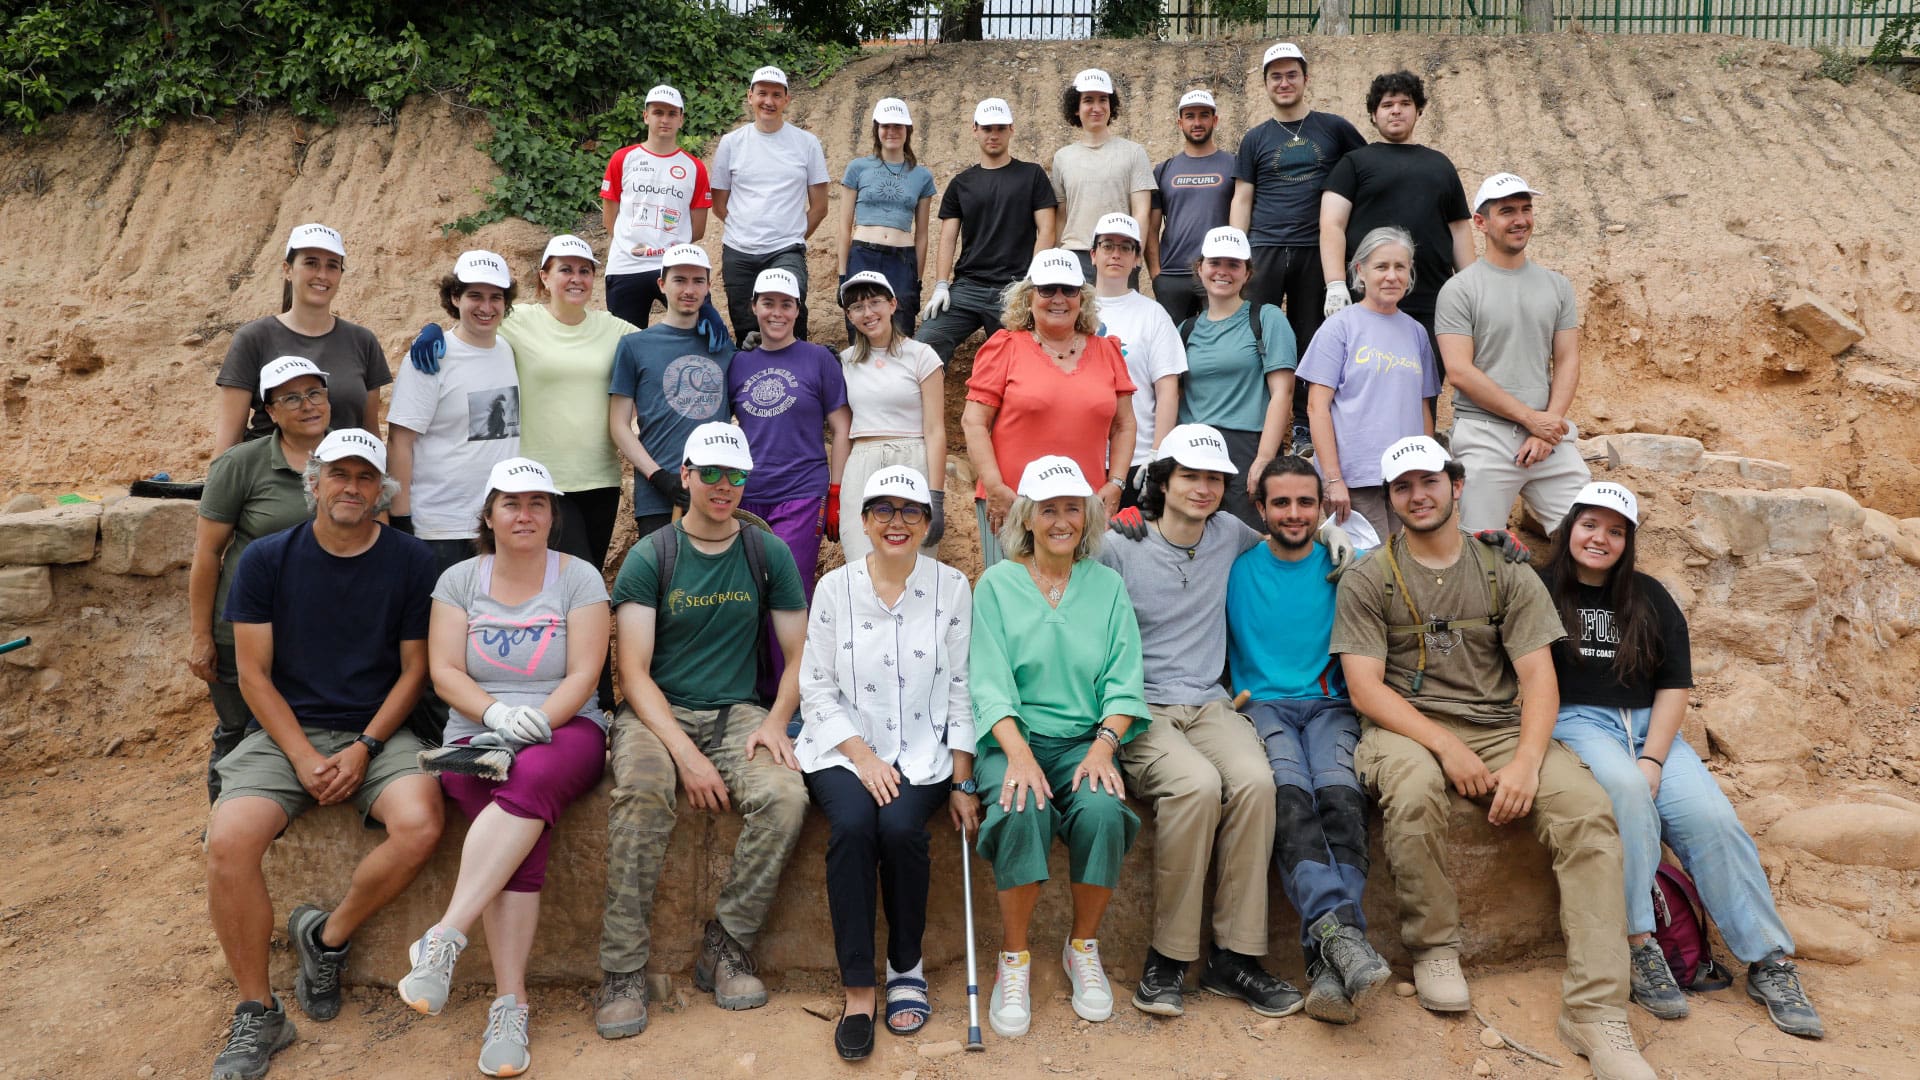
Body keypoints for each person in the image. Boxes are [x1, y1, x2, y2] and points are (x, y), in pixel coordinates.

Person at [1333, 435, 1655, 1080]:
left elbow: (1539, 679)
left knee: (1587, 814)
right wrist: (1445, 745)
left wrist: (1530, 761)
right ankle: (1434, 948)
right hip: (1408, 726)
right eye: (1402, 487)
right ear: (1392, 500)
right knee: (1415, 790)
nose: (1417, 496)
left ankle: (1595, 1013)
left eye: (1429, 482)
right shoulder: (1371, 576)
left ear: (1456, 486)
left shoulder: (1502, 570)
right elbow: (1365, 688)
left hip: (1503, 724)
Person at [1540, 482, 1823, 1039]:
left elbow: (1674, 685)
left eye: (1615, 531)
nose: (1601, 538)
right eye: (1590, 525)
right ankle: (1641, 945)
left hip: (1651, 724)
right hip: (1578, 719)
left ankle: (1769, 961)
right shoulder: (1540, 588)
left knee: (1713, 820)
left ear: (1628, 541)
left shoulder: (1650, 596)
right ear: (1569, 526)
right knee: (1625, 793)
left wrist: (1654, 757)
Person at [204, 429, 442, 1080]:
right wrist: (304, 755)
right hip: (286, 733)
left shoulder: (411, 560)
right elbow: (252, 675)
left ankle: (328, 936)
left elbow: (414, 670)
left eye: (366, 478)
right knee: (227, 839)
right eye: (339, 474)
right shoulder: (267, 560)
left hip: (377, 730)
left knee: (420, 822)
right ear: (314, 482)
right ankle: (258, 1011)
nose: (353, 488)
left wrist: (366, 747)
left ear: (382, 490)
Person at [395, 457, 611, 1077]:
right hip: (474, 734)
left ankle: (445, 939)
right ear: (488, 515)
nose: (525, 514)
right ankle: (508, 1004)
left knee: (533, 778)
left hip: (566, 729)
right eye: (511, 503)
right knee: (520, 828)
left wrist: (539, 718)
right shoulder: (460, 579)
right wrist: (494, 715)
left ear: (553, 516)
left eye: (538, 504)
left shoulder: (579, 578)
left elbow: (584, 672)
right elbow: (444, 671)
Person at [594, 423, 810, 1038]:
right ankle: (623, 969)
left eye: (735, 476)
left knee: (786, 796)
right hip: (658, 715)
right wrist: (686, 754)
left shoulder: (764, 553)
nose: (723, 486)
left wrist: (774, 721)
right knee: (640, 794)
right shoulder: (652, 555)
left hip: (739, 711)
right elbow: (633, 673)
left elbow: (799, 656)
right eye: (710, 473)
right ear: (684, 476)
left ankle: (728, 943)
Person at [1095, 428, 1296, 1020]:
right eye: (1190, 476)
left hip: (1210, 702)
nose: (1204, 489)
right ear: (1162, 481)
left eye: (1214, 479)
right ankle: (1168, 957)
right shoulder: (1120, 545)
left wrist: (1338, 538)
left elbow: (1290, 541)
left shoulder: (1229, 534)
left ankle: (1234, 958)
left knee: (1258, 784)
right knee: (1197, 786)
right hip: (1138, 705)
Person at [797, 466, 978, 1058]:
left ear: (928, 523)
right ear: (864, 521)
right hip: (845, 749)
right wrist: (864, 755)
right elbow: (816, 688)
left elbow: (961, 685)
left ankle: (906, 965)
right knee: (852, 827)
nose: (896, 523)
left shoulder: (952, 586)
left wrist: (962, 777)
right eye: (883, 511)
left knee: (901, 829)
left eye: (910, 512)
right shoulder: (835, 588)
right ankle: (857, 992)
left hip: (923, 750)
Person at [969, 456, 1148, 1038]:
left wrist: (1103, 747)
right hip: (1014, 738)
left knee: (1100, 809)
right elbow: (988, 680)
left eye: (1073, 508)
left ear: (1088, 517)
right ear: (1028, 516)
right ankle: (1014, 959)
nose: (1062, 520)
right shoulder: (996, 584)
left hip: (1083, 741)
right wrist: (1017, 755)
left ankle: (1082, 948)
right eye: (1050, 509)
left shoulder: (1108, 586)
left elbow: (1124, 680)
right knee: (1022, 807)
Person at [1226, 456, 1390, 1025]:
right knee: (1289, 799)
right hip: (1262, 707)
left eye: (1305, 502)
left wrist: (1500, 541)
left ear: (1324, 508)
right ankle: (1340, 939)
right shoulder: (1236, 564)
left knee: (1340, 799)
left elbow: (1422, 556)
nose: (1293, 513)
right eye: (1281, 503)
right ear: (1260, 508)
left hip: (1332, 706)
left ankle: (1326, 960)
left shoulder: (1350, 563)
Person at [191, 357, 334, 803]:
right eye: (291, 397)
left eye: (315, 393)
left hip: (322, 632)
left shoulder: (354, 455)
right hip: (242, 630)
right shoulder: (241, 464)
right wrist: (200, 637)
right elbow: (207, 554)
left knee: (306, 729)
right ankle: (222, 833)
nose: (307, 405)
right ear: (269, 411)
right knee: (237, 732)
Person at [1438, 173, 1591, 534]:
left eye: (1526, 209)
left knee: (1588, 531)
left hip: (1548, 440)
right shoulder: (1459, 289)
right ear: (1481, 222)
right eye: (1507, 211)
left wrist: (1546, 426)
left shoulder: (1558, 286)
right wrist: (1529, 419)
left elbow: (1568, 360)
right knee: (1478, 551)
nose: (1520, 219)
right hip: (1484, 435)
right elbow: (1459, 371)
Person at [962, 250, 1135, 568]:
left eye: (1069, 290)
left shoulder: (1108, 351)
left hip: (1081, 509)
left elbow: (1124, 425)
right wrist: (996, 486)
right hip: (1014, 505)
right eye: (1047, 289)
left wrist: (1117, 483)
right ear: (1028, 298)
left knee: (1078, 603)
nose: (1059, 298)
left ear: (1081, 298)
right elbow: (974, 422)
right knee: (1013, 604)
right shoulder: (1005, 347)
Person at [1231, 42, 1365, 452]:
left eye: (1291, 74)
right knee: (1256, 337)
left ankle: (1306, 426)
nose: (1284, 82)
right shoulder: (1255, 139)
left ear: (1306, 79)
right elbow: (1242, 198)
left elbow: (1366, 171)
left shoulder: (1335, 128)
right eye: (1276, 76)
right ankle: (1254, 421)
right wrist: (1239, 252)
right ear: (1265, 85)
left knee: (1312, 338)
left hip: (1316, 251)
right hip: (1265, 248)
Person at [1319, 70, 1473, 370]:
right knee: (1364, 385)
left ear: (1418, 111)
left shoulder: (1440, 165)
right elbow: (1331, 224)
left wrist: (1472, 289)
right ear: (1374, 115)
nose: (1396, 110)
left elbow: (1459, 229)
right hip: (1368, 301)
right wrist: (1335, 284)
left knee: (1423, 390)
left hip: (1432, 302)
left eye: (1405, 103)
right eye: (1387, 105)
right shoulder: (1354, 163)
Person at [1298, 226, 1441, 541]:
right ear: (1360, 270)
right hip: (1354, 481)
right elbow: (1316, 407)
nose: (1392, 276)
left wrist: (1427, 472)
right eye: (1381, 266)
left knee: (1403, 567)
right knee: (1368, 571)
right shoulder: (1339, 328)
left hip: (1405, 477)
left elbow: (1423, 409)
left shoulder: (1416, 332)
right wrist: (1333, 480)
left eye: (1400, 267)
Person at [388, 250, 521, 574]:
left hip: (494, 526)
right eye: (475, 296)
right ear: (454, 297)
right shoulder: (430, 359)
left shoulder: (506, 348)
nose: (486, 307)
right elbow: (399, 442)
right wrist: (400, 521)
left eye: (496, 297)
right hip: (439, 529)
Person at [726, 267, 851, 597]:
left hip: (802, 493)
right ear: (754, 306)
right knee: (746, 593)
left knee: (788, 590)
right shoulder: (737, 363)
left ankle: (792, 653)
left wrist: (836, 492)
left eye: (786, 304)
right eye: (768, 303)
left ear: (798, 309)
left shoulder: (819, 359)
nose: (777, 313)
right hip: (746, 494)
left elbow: (841, 428)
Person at [214, 223, 389, 451]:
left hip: (342, 481)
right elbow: (229, 443)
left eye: (332, 266)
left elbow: (369, 433)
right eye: (311, 263)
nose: (322, 275)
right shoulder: (253, 339)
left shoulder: (363, 342)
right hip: (271, 480)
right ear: (287, 270)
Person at [608, 243, 736, 542]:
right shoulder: (634, 346)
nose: (688, 289)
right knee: (664, 585)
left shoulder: (722, 347)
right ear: (662, 284)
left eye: (697, 281)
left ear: (708, 287)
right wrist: (657, 476)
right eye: (679, 280)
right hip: (658, 495)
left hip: (716, 489)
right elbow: (618, 425)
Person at [1175, 226, 1297, 531]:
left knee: (1247, 539)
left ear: (1247, 273)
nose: (1223, 272)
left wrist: (1264, 457)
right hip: (1193, 448)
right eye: (1215, 263)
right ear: (1200, 268)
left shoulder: (1267, 318)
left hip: (1244, 446)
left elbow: (1282, 393)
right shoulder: (1185, 329)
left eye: (1234, 264)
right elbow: (1173, 396)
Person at [918, 98, 1058, 365]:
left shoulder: (1032, 175)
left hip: (1014, 287)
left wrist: (1031, 281)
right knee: (925, 345)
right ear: (975, 130)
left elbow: (1047, 230)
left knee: (1022, 362)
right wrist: (941, 285)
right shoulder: (961, 183)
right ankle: (929, 407)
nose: (993, 135)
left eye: (1000, 128)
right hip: (968, 287)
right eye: (986, 128)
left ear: (1011, 130)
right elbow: (948, 238)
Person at [710, 65, 829, 345]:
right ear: (750, 96)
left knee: (789, 315)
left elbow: (820, 206)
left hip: (786, 250)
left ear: (787, 100)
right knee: (746, 328)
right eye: (762, 93)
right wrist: (747, 229)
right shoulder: (731, 143)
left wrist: (791, 235)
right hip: (739, 253)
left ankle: (799, 382)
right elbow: (719, 203)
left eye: (777, 94)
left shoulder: (807, 143)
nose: (769, 101)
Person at [599, 84, 727, 342]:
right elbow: (609, 218)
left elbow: (697, 229)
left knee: (704, 337)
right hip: (626, 267)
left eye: (671, 113)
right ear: (646, 116)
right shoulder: (622, 159)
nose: (665, 119)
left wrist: (666, 248)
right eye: (658, 112)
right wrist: (635, 244)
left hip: (675, 265)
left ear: (681, 118)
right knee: (626, 344)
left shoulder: (694, 167)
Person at [834, 272, 947, 561]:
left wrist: (935, 495)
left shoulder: (922, 356)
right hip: (862, 461)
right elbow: (843, 429)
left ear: (893, 304)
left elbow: (935, 430)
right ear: (849, 315)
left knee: (915, 562)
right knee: (860, 560)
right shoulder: (845, 362)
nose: (868, 313)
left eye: (875, 302)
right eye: (857, 307)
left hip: (912, 459)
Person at [1088, 212, 1184, 509]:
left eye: (1126, 247)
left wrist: (1158, 454)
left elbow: (1167, 388)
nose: (1116, 254)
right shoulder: (1071, 307)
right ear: (1093, 255)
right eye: (1107, 245)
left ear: (1137, 258)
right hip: (1082, 456)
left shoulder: (1152, 314)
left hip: (1136, 459)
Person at [836, 97, 936, 336]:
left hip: (902, 259)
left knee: (901, 329)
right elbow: (843, 225)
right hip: (863, 254)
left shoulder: (922, 176)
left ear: (907, 130)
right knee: (861, 326)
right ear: (876, 129)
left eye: (898, 126)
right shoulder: (857, 168)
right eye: (885, 126)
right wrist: (842, 275)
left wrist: (917, 280)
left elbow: (922, 234)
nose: (891, 132)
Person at [1050, 69, 1153, 285]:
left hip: (1118, 254)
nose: (1096, 108)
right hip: (1075, 257)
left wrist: (1135, 256)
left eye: (1103, 100)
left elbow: (1142, 212)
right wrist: (1059, 253)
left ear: (1111, 105)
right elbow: (1061, 214)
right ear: (1076, 109)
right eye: (1088, 100)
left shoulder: (1134, 152)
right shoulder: (1062, 158)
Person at [1147, 88, 1235, 325]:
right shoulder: (1163, 170)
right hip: (1173, 274)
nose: (1197, 122)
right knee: (1172, 348)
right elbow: (1151, 228)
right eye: (1190, 116)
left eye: (1204, 115)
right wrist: (1157, 274)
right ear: (1180, 122)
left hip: (1219, 272)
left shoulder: (1234, 166)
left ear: (1214, 120)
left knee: (1217, 346)